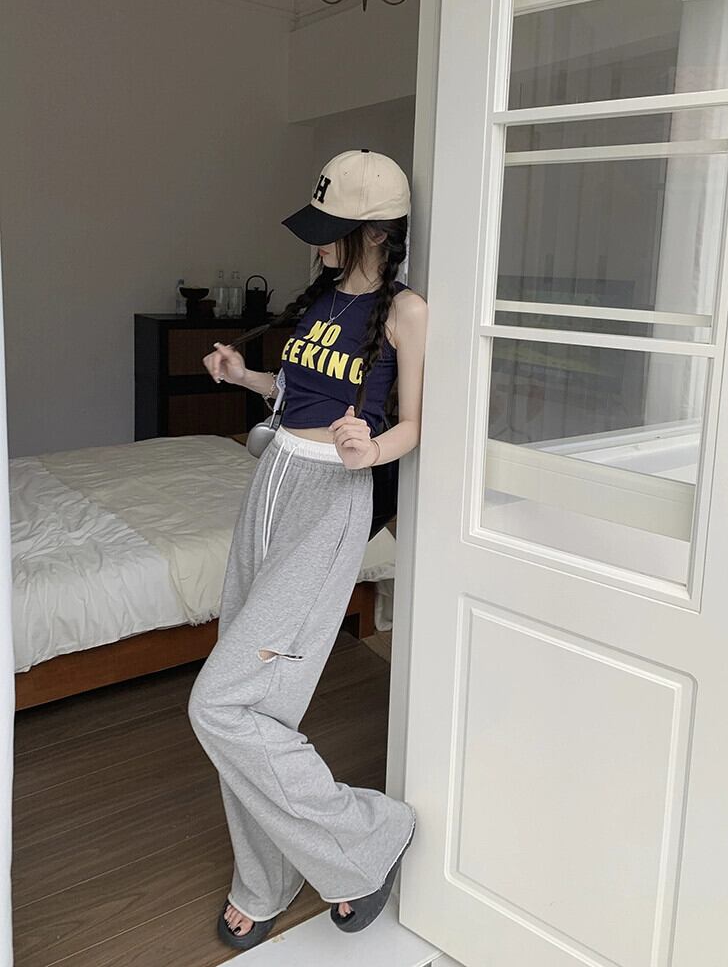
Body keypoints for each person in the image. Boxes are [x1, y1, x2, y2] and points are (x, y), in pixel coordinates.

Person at [189, 149, 428, 952]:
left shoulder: (406, 312)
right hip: (272, 483)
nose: (317, 242)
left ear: (376, 232)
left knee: (221, 704)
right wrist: (246, 378)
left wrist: (374, 448)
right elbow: (299, 398)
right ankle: (265, 878)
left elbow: (416, 424)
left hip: (329, 498)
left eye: (332, 229)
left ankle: (366, 833)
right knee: (252, 702)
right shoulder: (323, 297)